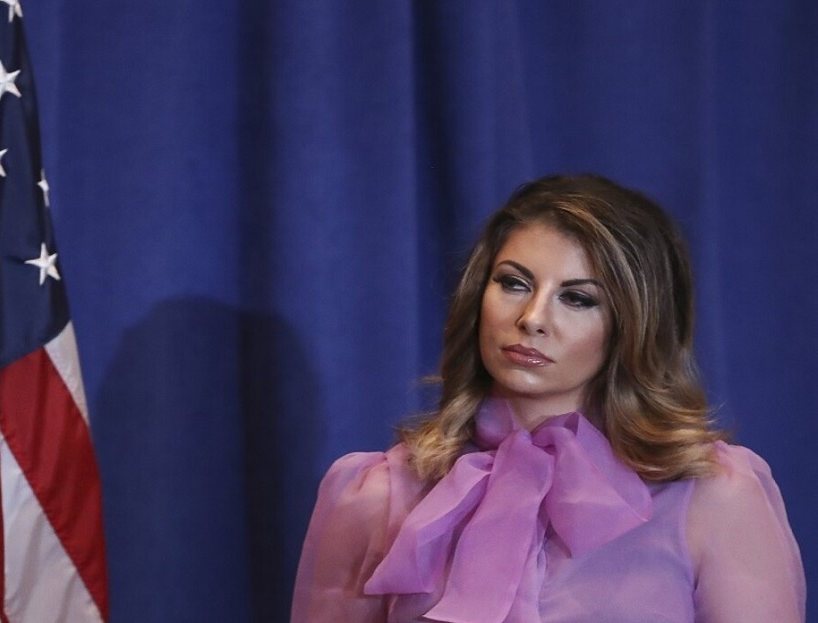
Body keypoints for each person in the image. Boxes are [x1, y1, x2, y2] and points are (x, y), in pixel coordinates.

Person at [290, 174, 806, 622]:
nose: (532, 318)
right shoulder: (378, 498)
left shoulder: (714, 499)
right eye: (514, 283)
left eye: (577, 298)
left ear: (634, 326)